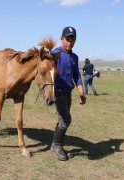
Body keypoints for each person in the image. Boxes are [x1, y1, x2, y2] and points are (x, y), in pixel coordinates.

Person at [51, 26, 86, 161]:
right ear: (61, 39)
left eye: (72, 39)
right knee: (66, 120)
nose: (69, 42)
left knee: (62, 120)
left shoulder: (74, 57)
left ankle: (58, 144)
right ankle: (56, 145)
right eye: (67, 39)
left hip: (68, 93)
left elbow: (76, 75)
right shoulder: (54, 54)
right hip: (57, 92)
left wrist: (81, 92)